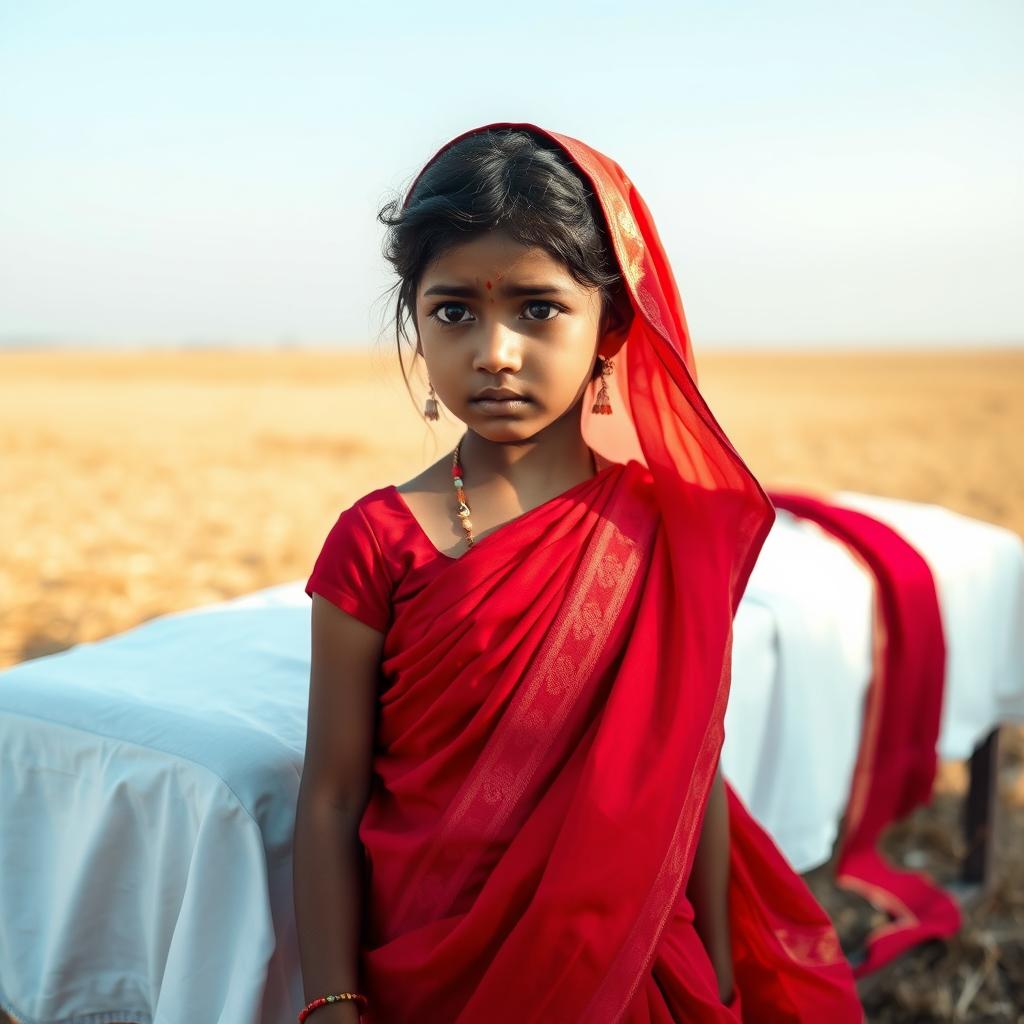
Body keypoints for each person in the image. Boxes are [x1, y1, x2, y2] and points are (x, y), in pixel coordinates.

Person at [292, 122, 864, 1023]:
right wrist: (331, 998)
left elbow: (690, 765)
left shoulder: (669, 530)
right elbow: (330, 792)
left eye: (537, 308)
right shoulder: (377, 540)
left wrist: (713, 968)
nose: (495, 352)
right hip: (428, 964)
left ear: (613, 323)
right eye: (453, 311)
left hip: (631, 959)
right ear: (416, 323)